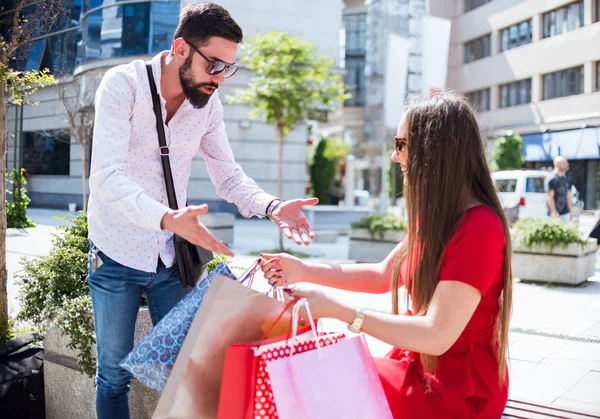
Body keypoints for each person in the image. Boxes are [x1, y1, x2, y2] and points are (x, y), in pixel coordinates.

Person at [87, 3, 318, 418]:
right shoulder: (123, 86)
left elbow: (227, 175)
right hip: (116, 251)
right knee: (113, 375)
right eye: (213, 64)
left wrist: (272, 206)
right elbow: (105, 177)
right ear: (180, 48)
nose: (219, 79)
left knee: (190, 368)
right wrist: (165, 216)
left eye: (227, 68)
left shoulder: (207, 105)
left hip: (172, 257)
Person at [260, 92, 512, 418]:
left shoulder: (479, 227)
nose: (395, 156)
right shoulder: (439, 217)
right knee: (301, 377)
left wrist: (340, 312)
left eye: (401, 143)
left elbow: (437, 335)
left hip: (456, 394)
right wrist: (303, 270)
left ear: (434, 149)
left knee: (310, 382)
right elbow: (382, 275)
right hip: (421, 372)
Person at [545, 156, 572, 223]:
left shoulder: (567, 179)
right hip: (555, 214)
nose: (567, 164)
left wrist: (571, 212)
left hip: (565, 213)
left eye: (566, 162)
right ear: (557, 164)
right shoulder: (552, 179)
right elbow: (549, 197)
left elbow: (568, 197)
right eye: (564, 163)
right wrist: (554, 212)